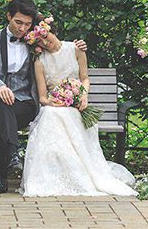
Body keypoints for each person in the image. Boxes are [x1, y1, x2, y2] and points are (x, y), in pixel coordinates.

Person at [0, 0, 87, 194]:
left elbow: (58, 49)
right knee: (1, 105)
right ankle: (12, 154)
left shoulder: (34, 41)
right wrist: (0, 86)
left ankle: (1, 176)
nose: (22, 29)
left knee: (3, 116)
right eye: (18, 22)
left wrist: (79, 46)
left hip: (25, 104)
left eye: (27, 24)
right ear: (8, 16)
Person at [20, 21, 137, 196]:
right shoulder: (40, 61)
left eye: (44, 37)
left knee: (65, 115)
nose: (44, 43)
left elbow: (84, 78)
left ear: (51, 31)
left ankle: (79, 172)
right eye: (39, 43)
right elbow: (43, 97)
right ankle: (54, 174)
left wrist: (82, 95)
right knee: (52, 114)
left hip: (75, 105)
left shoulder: (76, 49)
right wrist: (54, 102)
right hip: (54, 105)